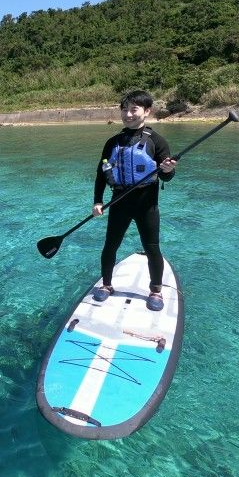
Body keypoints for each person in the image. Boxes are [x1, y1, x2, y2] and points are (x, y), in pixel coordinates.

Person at [91, 90, 177, 311]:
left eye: (133, 109)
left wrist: (168, 170)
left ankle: (156, 290)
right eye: (124, 109)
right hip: (118, 202)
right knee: (110, 246)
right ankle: (107, 284)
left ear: (147, 111)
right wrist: (98, 201)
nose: (128, 114)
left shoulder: (157, 141)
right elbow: (102, 173)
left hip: (146, 205)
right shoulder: (112, 142)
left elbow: (166, 175)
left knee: (152, 248)